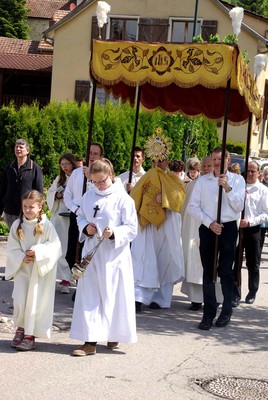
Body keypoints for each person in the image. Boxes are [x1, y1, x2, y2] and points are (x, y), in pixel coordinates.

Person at [70, 159, 137, 356]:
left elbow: (132, 227)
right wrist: (86, 227)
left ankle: (113, 333)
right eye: (94, 181)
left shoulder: (123, 198)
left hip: (113, 255)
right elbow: (80, 216)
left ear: (111, 175)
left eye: (102, 181)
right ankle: (89, 342)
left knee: (113, 295)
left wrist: (115, 232)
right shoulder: (88, 196)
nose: (98, 185)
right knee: (90, 295)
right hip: (92, 254)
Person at [187, 147, 245, 330]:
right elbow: (192, 207)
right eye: (215, 159)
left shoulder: (237, 179)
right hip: (208, 227)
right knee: (208, 271)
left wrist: (227, 188)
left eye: (221, 159)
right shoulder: (203, 181)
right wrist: (209, 222)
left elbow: (239, 207)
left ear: (228, 160)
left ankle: (226, 310)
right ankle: (208, 312)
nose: (217, 163)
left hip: (227, 228)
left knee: (226, 271)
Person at [130, 131, 185, 312]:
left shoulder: (173, 180)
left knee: (163, 258)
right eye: (156, 159)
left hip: (166, 224)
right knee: (144, 258)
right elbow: (135, 197)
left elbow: (178, 199)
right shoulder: (146, 177)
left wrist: (165, 200)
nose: (159, 162)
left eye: (163, 159)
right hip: (146, 223)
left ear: (167, 160)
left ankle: (161, 299)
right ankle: (138, 298)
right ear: (152, 159)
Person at [5, 190, 61, 351]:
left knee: (35, 301)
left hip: (39, 272)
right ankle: (21, 328)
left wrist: (38, 251)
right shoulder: (17, 225)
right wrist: (22, 256)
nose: (28, 210)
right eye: (25, 206)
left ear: (40, 207)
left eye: (31, 207)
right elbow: (12, 247)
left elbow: (55, 246)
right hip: (23, 269)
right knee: (20, 299)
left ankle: (30, 334)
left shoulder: (46, 225)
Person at [181, 155, 223, 311]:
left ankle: (213, 298)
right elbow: (186, 209)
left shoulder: (216, 184)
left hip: (210, 229)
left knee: (211, 265)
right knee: (194, 265)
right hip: (193, 231)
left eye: (209, 166)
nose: (206, 169)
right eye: (203, 166)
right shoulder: (193, 185)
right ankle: (196, 299)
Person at [232, 161, 268, 307]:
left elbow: (266, 213)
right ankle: (235, 292)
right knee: (236, 261)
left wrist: (250, 222)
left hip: (254, 229)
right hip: (237, 228)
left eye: (253, 171)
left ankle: (252, 290)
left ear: (258, 173)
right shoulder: (239, 186)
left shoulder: (263, 190)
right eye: (248, 171)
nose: (250, 174)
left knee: (253, 262)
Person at [63, 143, 103, 274]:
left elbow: (101, 194)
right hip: (77, 214)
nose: (92, 156)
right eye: (90, 153)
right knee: (71, 253)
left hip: (92, 216)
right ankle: (77, 278)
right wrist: (75, 209)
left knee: (86, 252)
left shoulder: (102, 176)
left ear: (100, 156)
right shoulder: (76, 173)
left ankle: (83, 285)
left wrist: (91, 178)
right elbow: (67, 196)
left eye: (95, 154)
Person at [46, 153, 77, 294]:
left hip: (72, 218)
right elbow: (50, 193)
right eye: (62, 164)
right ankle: (52, 277)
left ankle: (66, 279)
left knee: (66, 249)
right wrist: (56, 195)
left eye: (67, 164)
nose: (64, 167)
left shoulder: (78, 178)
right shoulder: (60, 179)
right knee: (54, 246)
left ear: (73, 163)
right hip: (58, 217)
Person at [0, 139, 43, 229]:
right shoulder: (9, 167)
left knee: (26, 239)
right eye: (16, 147)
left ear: (27, 151)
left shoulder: (34, 168)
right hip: (10, 211)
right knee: (14, 239)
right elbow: (3, 189)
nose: (18, 149)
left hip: (27, 212)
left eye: (21, 147)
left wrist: (39, 210)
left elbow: (39, 191)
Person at [260, 166, 268, 253]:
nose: (267, 176)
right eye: (266, 174)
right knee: (259, 243)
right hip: (262, 221)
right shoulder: (260, 186)